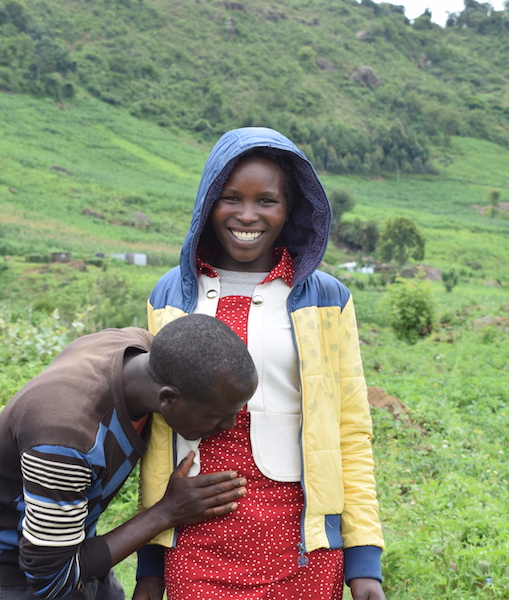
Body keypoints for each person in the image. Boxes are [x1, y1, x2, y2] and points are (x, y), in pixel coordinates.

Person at [134, 127, 385, 600]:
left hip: (301, 538)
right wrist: (151, 561)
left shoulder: (327, 299)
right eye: (231, 198)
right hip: (196, 530)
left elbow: (350, 429)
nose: (247, 215)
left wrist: (364, 559)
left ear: (290, 208)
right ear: (209, 203)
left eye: (266, 200)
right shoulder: (171, 294)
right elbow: (157, 430)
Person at [0, 314, 258, 600]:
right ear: (167, 399)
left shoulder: (134, 347)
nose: (229, 426)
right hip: (1, 579)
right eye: (218, 417)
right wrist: (166, 512)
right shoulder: (65, 438)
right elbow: (50, 579)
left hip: (74, 549)